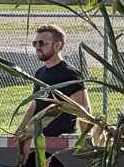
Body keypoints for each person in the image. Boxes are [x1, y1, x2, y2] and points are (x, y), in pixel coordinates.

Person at [14, 23, 90, 158]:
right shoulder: (40, 73)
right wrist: (19, 131)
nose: (38, 47)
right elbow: (35, 105)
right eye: (35, 43)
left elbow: (83, 109)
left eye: (42, 43)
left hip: (60, 146)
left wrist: (87, 145)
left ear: (57, 45)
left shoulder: (71, 75)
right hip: (37, 142)